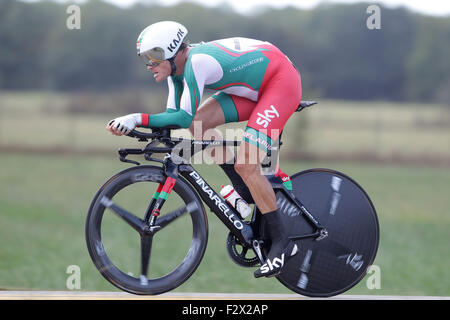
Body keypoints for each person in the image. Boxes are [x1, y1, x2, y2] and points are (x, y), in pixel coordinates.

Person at [107, 21, 302, 278]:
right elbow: (174, 117)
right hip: (255, 87)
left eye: (153, 56)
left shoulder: (197, 63)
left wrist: (136, 118)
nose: (149, 64)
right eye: (144, 58)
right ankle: (243, 190)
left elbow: (182, 118)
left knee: (247, 163)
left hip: (280, 84)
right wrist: (139, 128)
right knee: (200, 125)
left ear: (173, 51)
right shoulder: (176, 72)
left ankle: (283, 243)